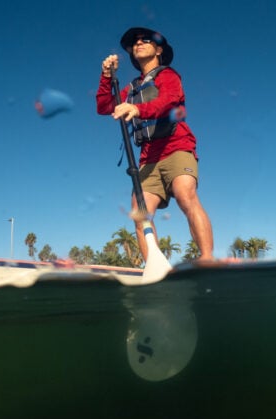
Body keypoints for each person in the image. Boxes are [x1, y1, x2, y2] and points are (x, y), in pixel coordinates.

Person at [96, 27, 214, 262]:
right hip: (148, 159)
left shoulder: (169, 76)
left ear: (158, 49)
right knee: (140, 215)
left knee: (185, 194)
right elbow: (104, 107)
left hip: (176, 147)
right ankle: (156, 268)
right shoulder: (131, 88)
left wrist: (137, 108)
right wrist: (106, 77)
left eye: (145, 40)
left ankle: (207, 260)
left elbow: (168, 102)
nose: (139, 42)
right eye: (135, 41)